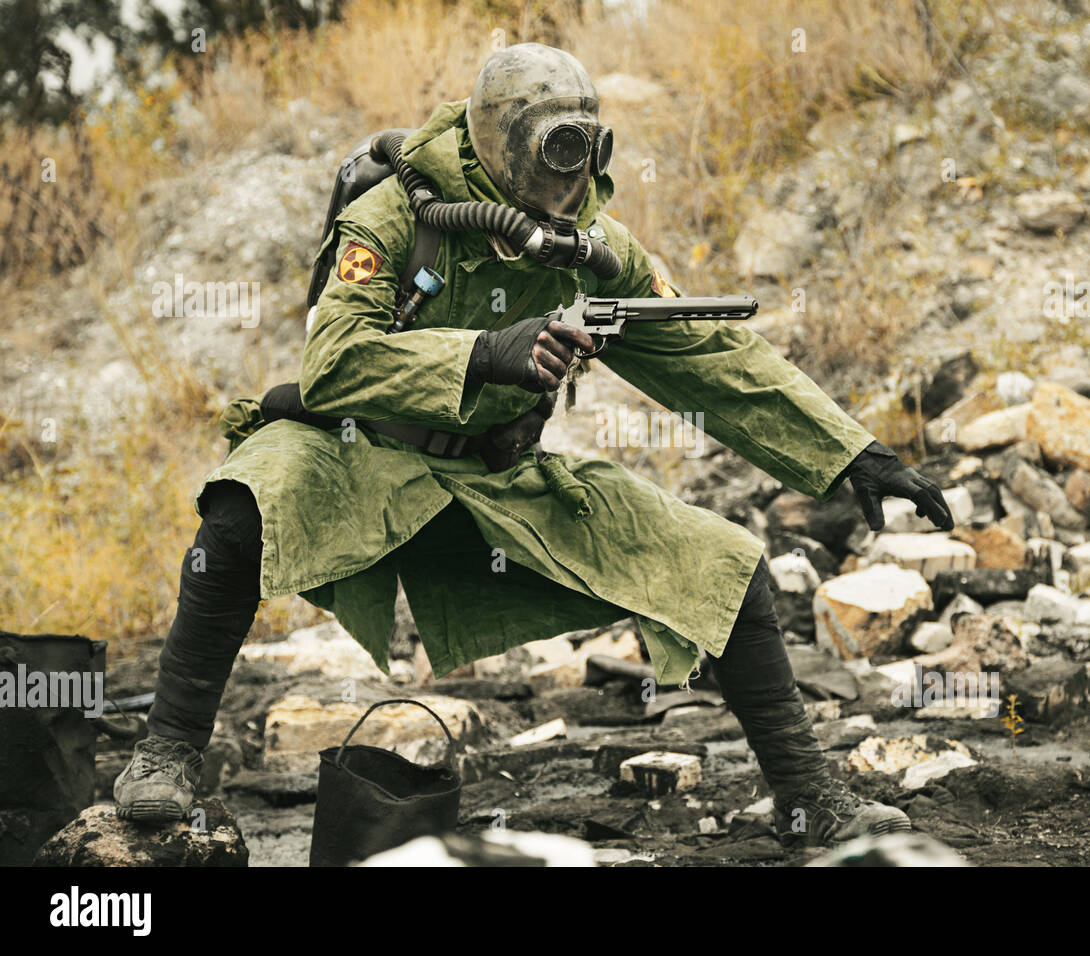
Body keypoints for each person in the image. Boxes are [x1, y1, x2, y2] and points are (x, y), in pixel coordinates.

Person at [115, 43, 953, 846]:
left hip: (496, 479)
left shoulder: (593, 242)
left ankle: (808, 799)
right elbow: (332, 362)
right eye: (553, 149)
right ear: (496, 142)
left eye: (583, 150)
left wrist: (853, 456)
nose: (570, 174)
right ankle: (168, 753)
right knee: (240, 506)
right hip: (359, 455)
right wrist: (485, 352)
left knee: (726, 565)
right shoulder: (397, 216)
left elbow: (712, 355)